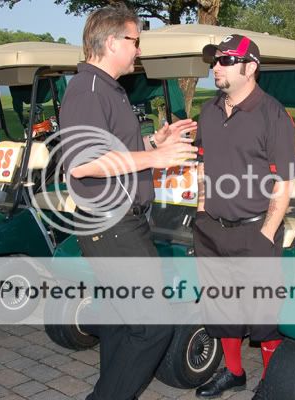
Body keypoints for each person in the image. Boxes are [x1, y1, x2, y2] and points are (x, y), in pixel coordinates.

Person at [59, 5, 197, 400]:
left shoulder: (107, 88)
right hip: (111, 227)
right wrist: (154, 159)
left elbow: (115, 151)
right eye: (136, 41)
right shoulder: (88, 90)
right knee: (154, 327)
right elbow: (84, 164)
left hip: (122, 223)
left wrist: (157, 142)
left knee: (122, 322)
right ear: (112, 41)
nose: (139, 51)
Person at [192, 34, 295, 399]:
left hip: (256, 230)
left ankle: (272, 384)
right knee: (221, 306)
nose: (215, 67)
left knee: (264, 315)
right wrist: (201, 212)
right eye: (214, 61)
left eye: (224, 61)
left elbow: (284, 182)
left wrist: (267, 232)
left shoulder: (273, 114)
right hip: (212, 229)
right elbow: (204, 165)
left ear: (250, 66)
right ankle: (234, 372)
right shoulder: (208, 111)